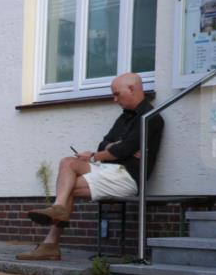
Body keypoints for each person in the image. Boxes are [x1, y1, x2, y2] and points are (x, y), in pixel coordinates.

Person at [17, 72, 164, 261]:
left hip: (127, 177)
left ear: (132, 89)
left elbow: (121, 150)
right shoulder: (124, 118)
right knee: (67, 162)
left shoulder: (151, 118)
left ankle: (50, 244)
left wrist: (108, 151)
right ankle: (58, 210)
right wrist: (114, 149)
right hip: (109, 170)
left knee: (68, 186)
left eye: (117, 94)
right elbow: (105, 145)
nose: (114, 99)